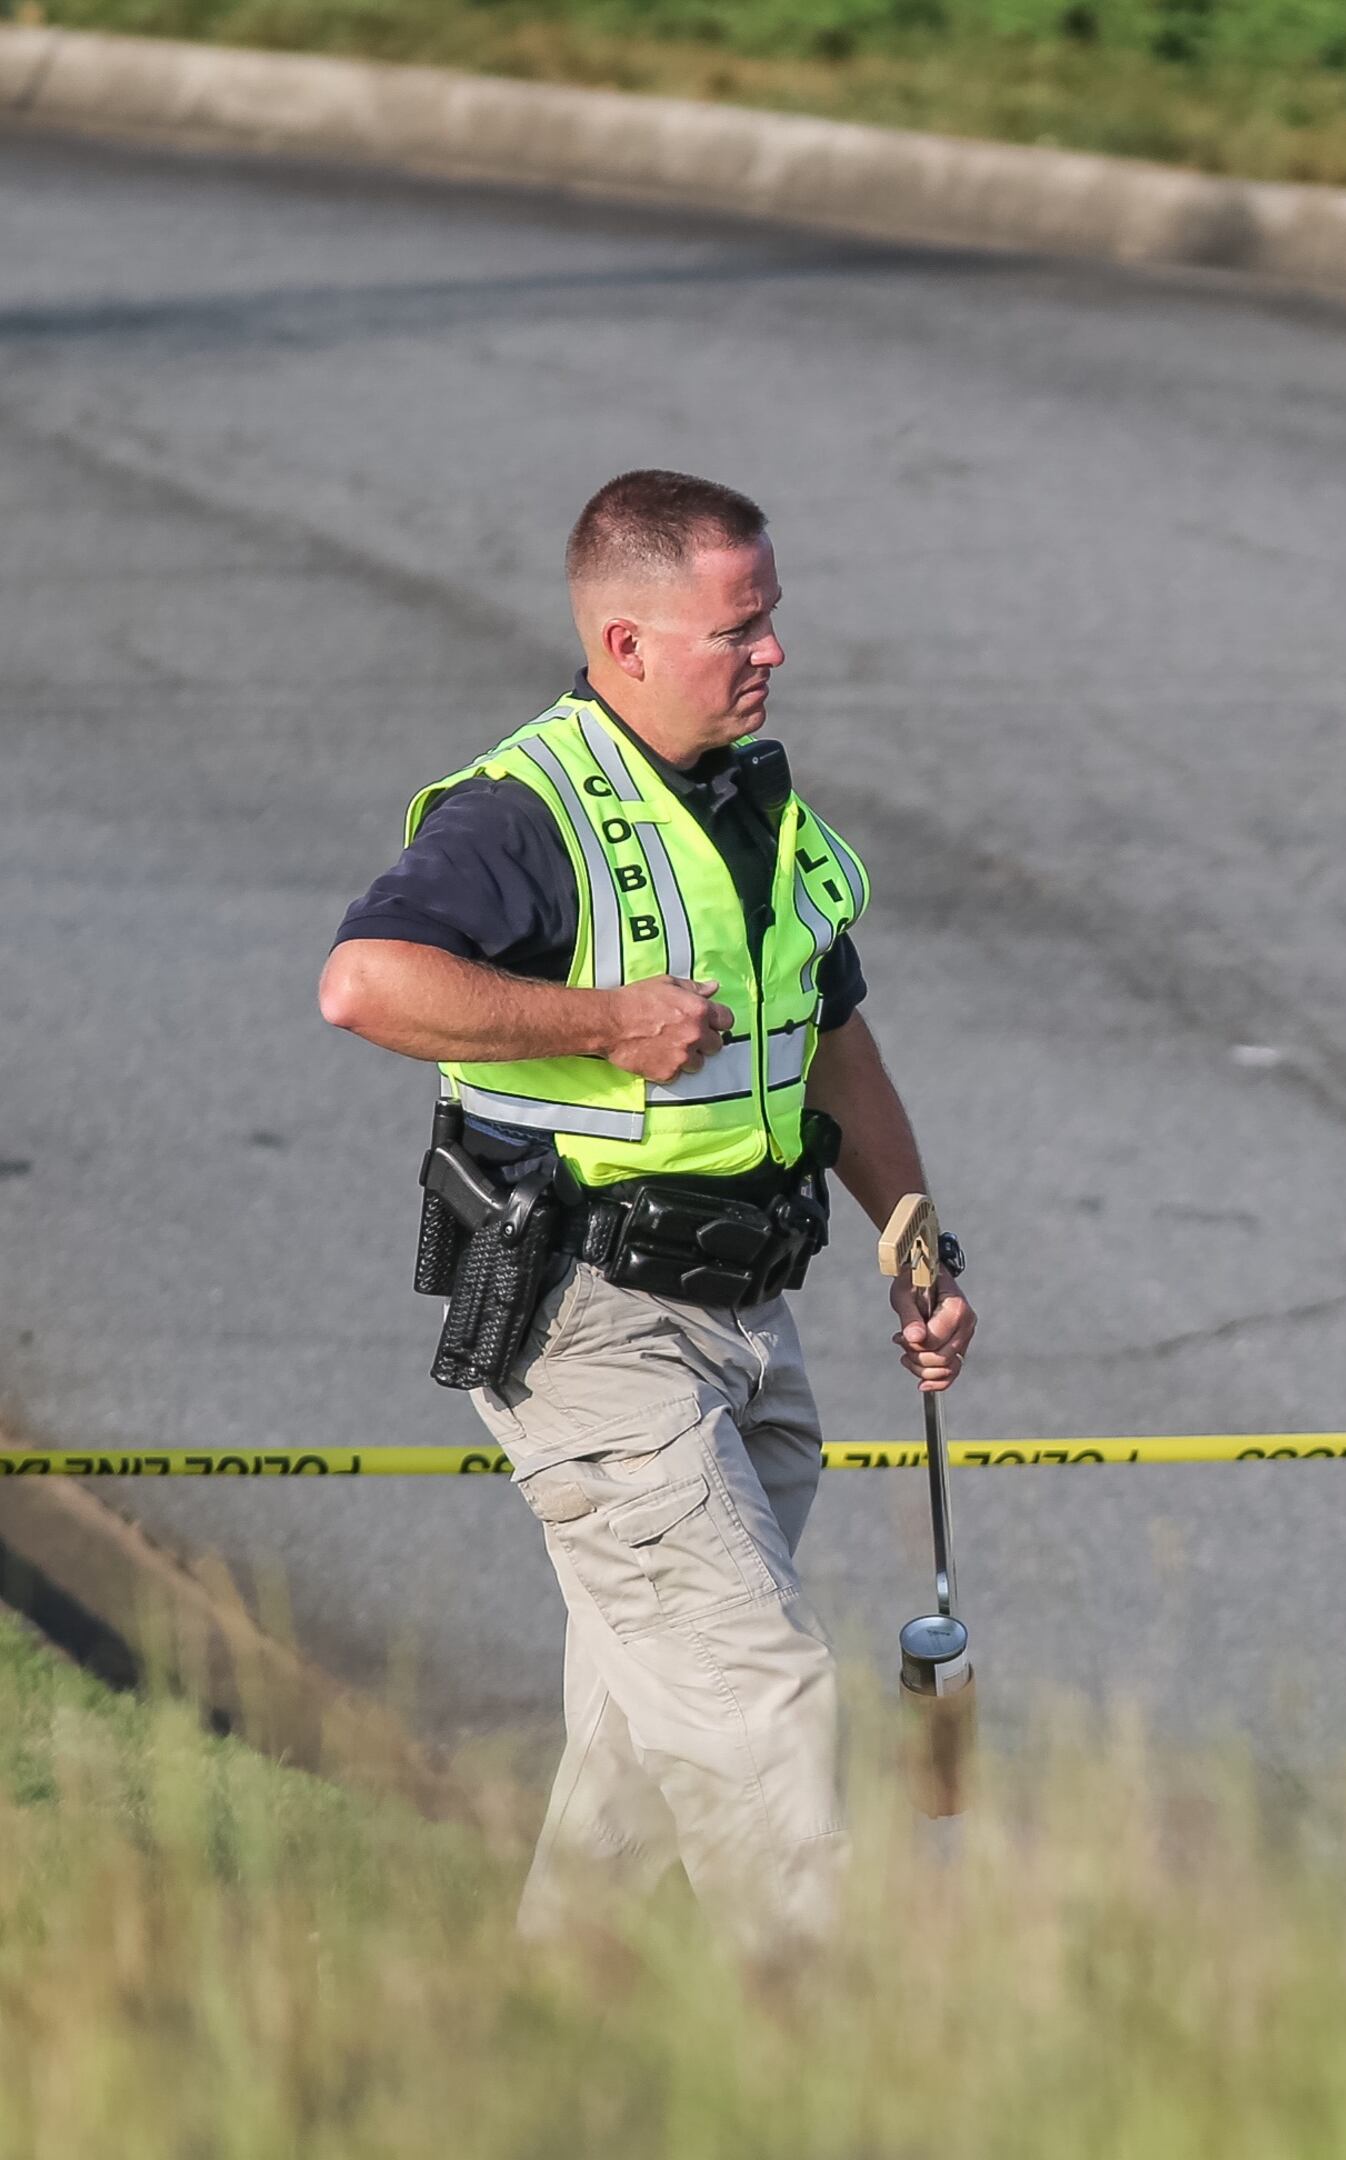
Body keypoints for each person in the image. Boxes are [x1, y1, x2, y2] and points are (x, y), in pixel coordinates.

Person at [319, 471, 974, 1956]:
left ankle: (541, 2042)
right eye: (736, 629)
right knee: (761, 1707)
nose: (771, 652)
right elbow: (364, 982)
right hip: (592, 1330)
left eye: (771, 620)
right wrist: (607, 1018)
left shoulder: (759, 806)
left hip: (751, 1323)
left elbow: (834, 1037)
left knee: (641, 1728)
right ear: (624, 643)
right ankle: (826, 2068)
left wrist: (913, 1238)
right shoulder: (524, 814)